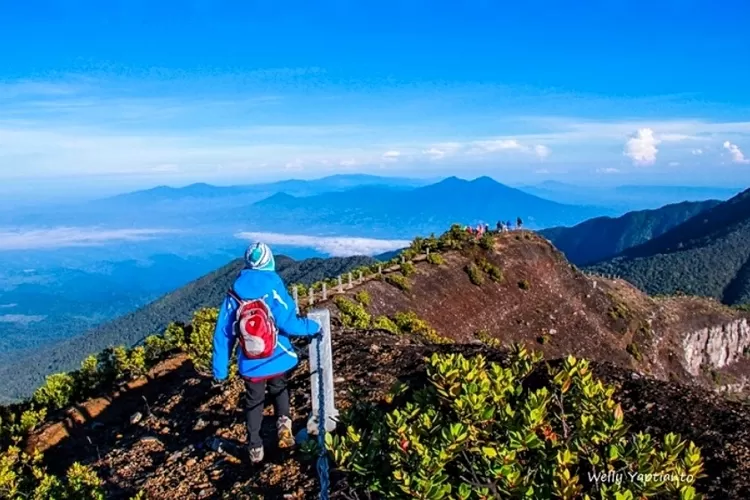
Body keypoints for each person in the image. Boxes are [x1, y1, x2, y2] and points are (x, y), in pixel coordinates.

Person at [212, 242, 321, 464]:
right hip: (277, 356)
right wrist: (313, 327)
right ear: (269, 260)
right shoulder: (273, 285)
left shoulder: (234, 292)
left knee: (254, 401)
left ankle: (255, 447)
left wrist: (220, 370)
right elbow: (288, 323)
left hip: (251, 361)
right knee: (279, 388)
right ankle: (284, 427)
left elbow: (223, 334)